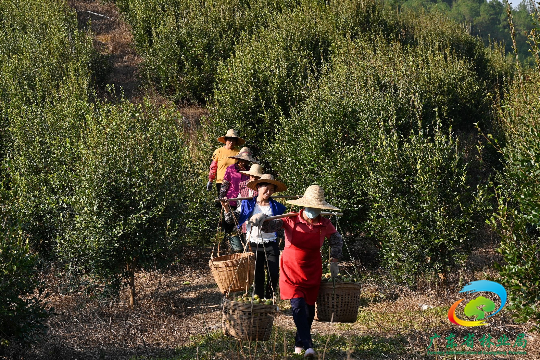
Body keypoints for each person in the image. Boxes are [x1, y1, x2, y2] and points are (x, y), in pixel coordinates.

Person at [254, 185, 343, 359]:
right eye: (311, 208)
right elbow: (270, 226)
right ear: (304, 206)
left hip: (312, 270)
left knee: (309, 310)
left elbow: (336, 240)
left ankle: (298, 344)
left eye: (317, 209)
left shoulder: (324, 223)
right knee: (297, 306)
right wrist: (262, 219)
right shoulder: (290, 219)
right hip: (291, 270)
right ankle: (309, 347)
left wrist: (334, 261)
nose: (313, 212)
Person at [223, 174, 287, 300]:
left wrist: (269, 224)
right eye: (266, 189)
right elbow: (232, 219)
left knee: (273, 273)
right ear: (258, 187)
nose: (269, 192)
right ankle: (259, 302)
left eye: (272, 190)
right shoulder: (248, 204)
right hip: (253, 245)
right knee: (257, 275)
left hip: (270, 243)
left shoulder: (276, 207)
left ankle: (271, 300)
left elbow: (281, 226)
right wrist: (226, 208)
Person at [207, 129, 245, 198]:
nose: (231, 142)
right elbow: (213, 167)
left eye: (233, 140)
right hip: (221, 181)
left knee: (232, 203)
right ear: (226, 140)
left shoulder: (238, 153)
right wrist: (210, 180)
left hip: (234, 182)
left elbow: (241, 167)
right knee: (223, 202)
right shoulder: (219, 151)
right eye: (230, 140)